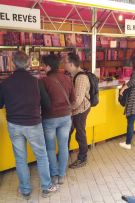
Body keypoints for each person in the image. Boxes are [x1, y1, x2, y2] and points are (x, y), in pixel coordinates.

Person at [0, 51, 58, 199]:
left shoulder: (5, 83)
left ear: (13, 63)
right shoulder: (37, 82)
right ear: (28, 63)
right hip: (34, 123)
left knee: (20, 158)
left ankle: (25, 189)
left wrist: (8, 113)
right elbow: (47, 104)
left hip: (14, 125)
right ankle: (46, 187)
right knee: (41, 156)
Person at [41, 54, 75, 185]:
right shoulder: (67, 78)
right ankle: (62, 175)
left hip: (49, 118)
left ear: (48, 66)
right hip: (66, 117)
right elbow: (73, 99)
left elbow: (42, 102)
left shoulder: (43, 81)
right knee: (63, 147)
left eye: (44, 65)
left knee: (50, 148)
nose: (42, 67)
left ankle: (54, 174)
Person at [64, 53, 91, 169]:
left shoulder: (80, 77)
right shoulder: (73, 75)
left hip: (80, 110)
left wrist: (68, 109)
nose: (63, 64)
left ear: (71, 64)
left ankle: (82, 158)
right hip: (75, 110)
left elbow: (78, 100)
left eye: (65, 62)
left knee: (80, 133)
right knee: (68, 132)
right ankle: (64, 155)